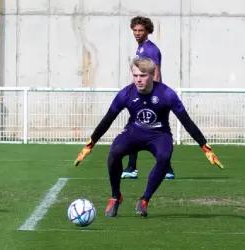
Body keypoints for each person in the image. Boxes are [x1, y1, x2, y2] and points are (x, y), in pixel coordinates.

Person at [74, 58, 223, 217]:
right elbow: (108, 119)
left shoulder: (167, 94)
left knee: (164, 157)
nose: (138, 79)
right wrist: (90, 144)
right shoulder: (125, 94)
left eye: (143, 75)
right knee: (114, 153)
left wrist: (204, 146)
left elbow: (186, 120)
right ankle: (116, 196)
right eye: (135, 75)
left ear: (153, 75)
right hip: (133, 133)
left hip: (159, 135)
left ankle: (144, 200)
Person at [122, 16, 176, 180]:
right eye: (135, 30)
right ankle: (165, 169)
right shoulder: (141, 49)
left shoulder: (149, 49)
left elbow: (156, 73)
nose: (137, 33)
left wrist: (156, 96)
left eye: (141, 30)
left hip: (152, 97)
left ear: (148, 31)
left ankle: (132, 168)